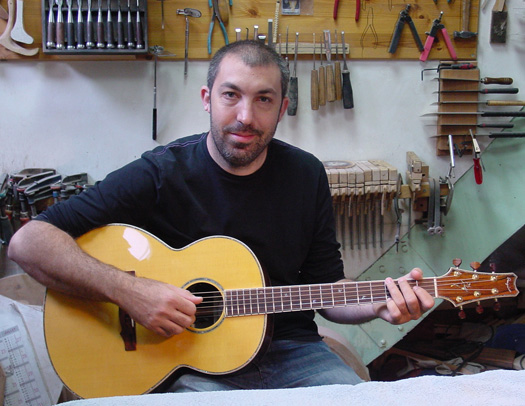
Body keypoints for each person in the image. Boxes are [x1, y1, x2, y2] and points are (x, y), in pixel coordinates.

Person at [8, 40, 435, 392]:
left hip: (293, 352)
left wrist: (377, 303)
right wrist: (128, 292)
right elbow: (29, 242)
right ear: (207, 99)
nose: (245, 117)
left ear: (282, 107)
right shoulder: (160, 173)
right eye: (231, 95)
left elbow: (328, 290)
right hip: (186, 361)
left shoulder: (306, 176)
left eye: (263, 99)